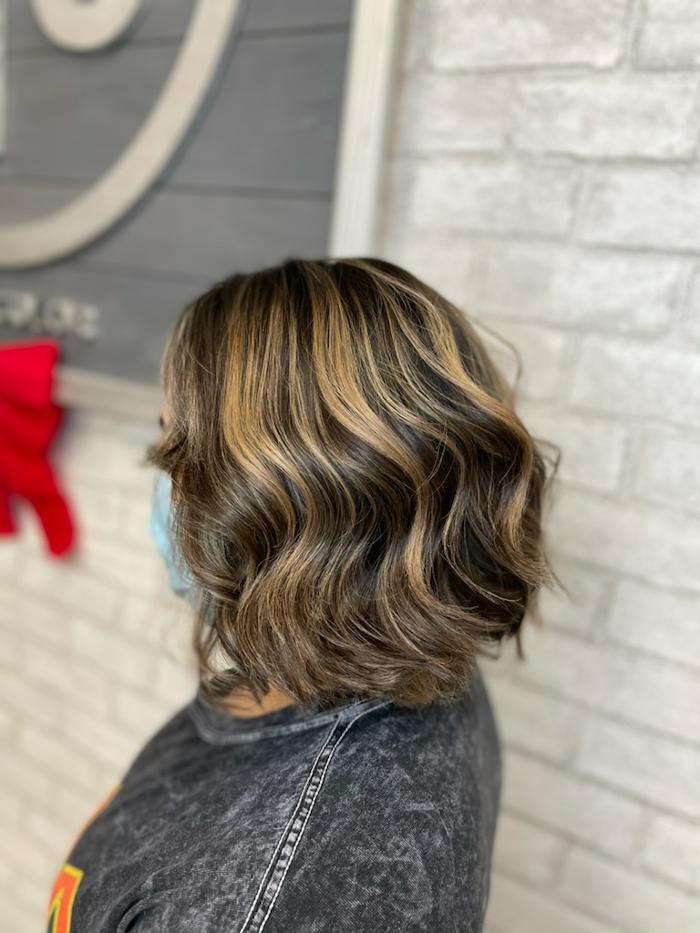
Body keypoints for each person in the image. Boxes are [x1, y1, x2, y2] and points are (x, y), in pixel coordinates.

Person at [46, 257, 560, 932]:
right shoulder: (418, 669)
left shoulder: (281, 900)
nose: (159, 479)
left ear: (291, 516)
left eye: (174, 449)